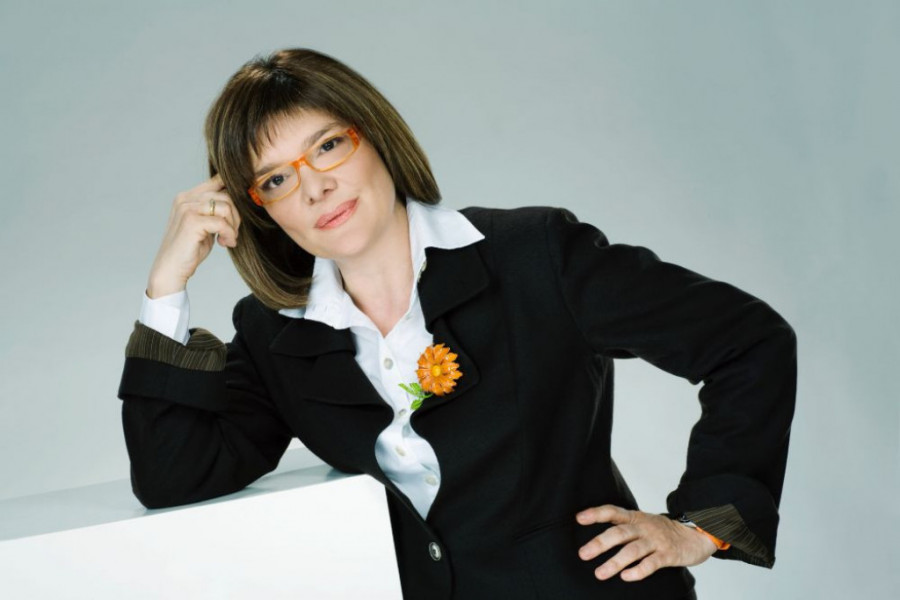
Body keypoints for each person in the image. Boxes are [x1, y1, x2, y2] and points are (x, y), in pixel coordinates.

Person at [118, 48, 797, 600]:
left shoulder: (534, 256)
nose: (315, 187)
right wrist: (166, 286)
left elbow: (747, 341)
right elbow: (175, 475)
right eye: (275, 181)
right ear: (261, 211)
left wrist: (699, 525)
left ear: (374, 136)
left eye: (327, 146)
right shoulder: (277, 335)